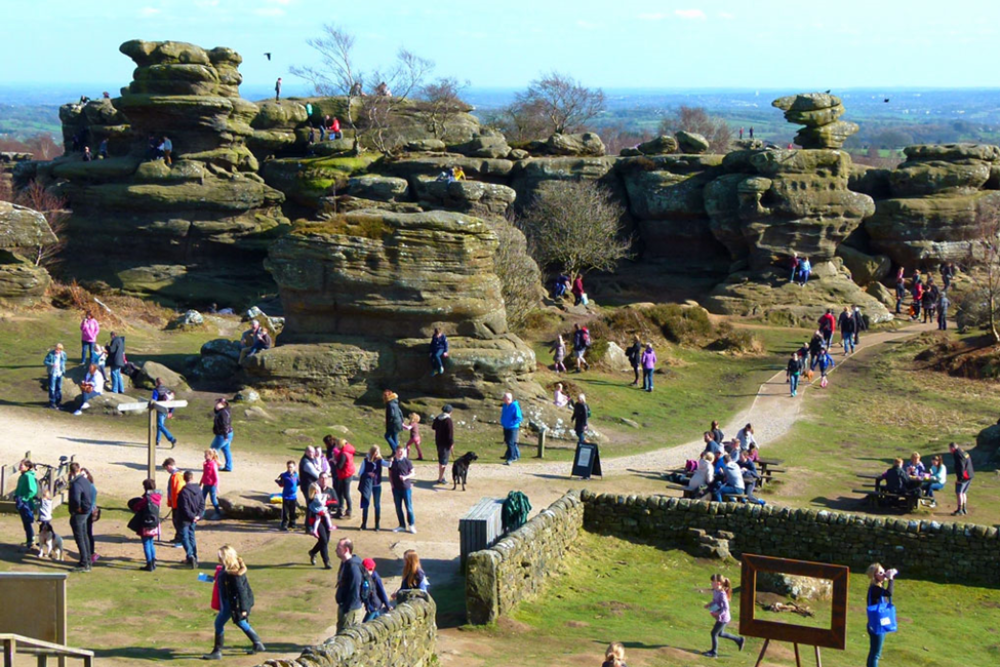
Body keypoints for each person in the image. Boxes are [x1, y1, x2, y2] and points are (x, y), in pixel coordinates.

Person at [202, 545, 266, 659]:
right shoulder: (226, 569)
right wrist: (204, 578)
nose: (218, 559)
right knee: (241, 622)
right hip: (229, 602)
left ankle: (217, 652)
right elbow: (219, 579)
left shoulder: (235, 574)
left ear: (226, 558)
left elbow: (241, 591)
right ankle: (258, 644)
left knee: (219, 624)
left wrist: (244, 609)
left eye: (220, 557)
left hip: (232, 604)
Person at [703, 573, 744, 657]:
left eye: (713, 582)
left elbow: (726, 607)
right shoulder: (716, 591)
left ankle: (714, 652)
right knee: (720, 633)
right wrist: (709, 604)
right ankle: (739, 640)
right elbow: (715, 601)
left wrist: (719, 614)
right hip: (720, 617)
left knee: (714, 633)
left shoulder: (722, 594)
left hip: (723, 618)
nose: (711, 583)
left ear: (718, 583)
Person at [865, 563, 897, 667]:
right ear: (874, 575)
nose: (883, 574)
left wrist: (887, 577)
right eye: (880, 572)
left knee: (874, 652)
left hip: (875, 623)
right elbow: (889, 593)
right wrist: (891, 578)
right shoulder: (875, 589)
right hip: (877, 625)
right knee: (876, 654)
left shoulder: (877, 587)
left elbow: (885, 592)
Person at [127, 478, 161, 571]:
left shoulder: (147, 499)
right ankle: (153, 562)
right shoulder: (157, 496)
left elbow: (137, 507)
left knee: (146, 543)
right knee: (151, 542)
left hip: (146, 522)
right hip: (155, 522)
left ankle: (149, 563)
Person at [67, 462, 93, 572]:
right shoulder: (85, 481)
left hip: (79, 513)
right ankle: (87, 559)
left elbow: (75, 499)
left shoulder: (76, 484)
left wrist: (77, 508)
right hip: (86, 511)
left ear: (71, 472)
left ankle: (84, 563)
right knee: (84, 535)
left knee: (80, 538)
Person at [176, 470, 204, 568]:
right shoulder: (198, 490)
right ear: (192, 478)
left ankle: (190, 555)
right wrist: (198, 516)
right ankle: (194, 556)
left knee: (184, 537)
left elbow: (184, 507)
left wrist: (192, 516)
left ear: (184, 479)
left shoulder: (184, 492)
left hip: (185, 518)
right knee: (191, 536)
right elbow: (202, 504)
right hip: (194, 517)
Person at [389, 445, 416, 533]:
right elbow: (390, 474)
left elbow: (413, 473)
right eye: (399, 451)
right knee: (398, 507)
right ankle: (402, 525)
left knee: (409, 507)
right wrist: (392, 484)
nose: (400, 453)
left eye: (402, 451)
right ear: (396, 452)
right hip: (396, 488)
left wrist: (405, 477)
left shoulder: (407, 461)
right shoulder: (392, 462)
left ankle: (411, 525)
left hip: (406, 488)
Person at [358, 446, 385, 530]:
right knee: (366, 504)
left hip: (377, 485)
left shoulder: (380, 460)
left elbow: (388, 464)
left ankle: (377, 524)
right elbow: (360, 473)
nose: (376, 454)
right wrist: (368, 474)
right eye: (375, 452)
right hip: (367, 485)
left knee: (377, 505)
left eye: (378, 452)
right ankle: (364, 524)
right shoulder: (365, 460)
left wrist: (392, 460)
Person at [14, 459, 37, 550]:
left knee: (28, 522)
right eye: (20, 465)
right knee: (25, 522)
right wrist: (16, 496)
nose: (20, 466)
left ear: (27, 467)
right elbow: (18, 488)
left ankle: (31, 541)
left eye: (22, 465)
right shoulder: (22, 476)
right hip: (20, 501)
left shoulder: (28, 476)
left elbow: (33, 490)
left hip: (26, 503)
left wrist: (24, 498)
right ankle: (29, 539)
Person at [333, 438, 356, 519]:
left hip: (345, 475)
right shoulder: (348, 451)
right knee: (342, 493)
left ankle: (348, 511)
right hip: (347, 474)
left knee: (344, 494)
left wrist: (334, 461)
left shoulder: (343, 453)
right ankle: (341, 510)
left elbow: (340, 466)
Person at [163, 457, 184, 545]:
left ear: (168, 466)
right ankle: (178, 537)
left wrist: (174, 502)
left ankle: (180, 538)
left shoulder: (176, 476)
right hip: (175, 503)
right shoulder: (178, 475)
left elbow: (177, 490)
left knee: (177, 521)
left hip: (177, 503)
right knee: (176, 521)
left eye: (166, 468)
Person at [431, 405, 454, 485]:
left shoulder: (438, 418)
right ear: (450, 412)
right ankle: (441, 478)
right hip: (445, 443)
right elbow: (450, 433)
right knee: (444, 461)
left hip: (438, 441)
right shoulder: (448, 420)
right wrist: (451, 443)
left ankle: (441, 476)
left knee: (441, 460)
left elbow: (433, 427)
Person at [308, 473, 336, 538]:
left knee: (317, 520)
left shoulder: (316, 495)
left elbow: (337, 503)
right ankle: (330, 526)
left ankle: (314, 530)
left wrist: (324, 495)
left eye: (326, 478)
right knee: (327, 516)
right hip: (319, 509)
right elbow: (321, 502)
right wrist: (325, 499)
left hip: (316, 509)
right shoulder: (317, 496)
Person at [299, 446, 320, 530]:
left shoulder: (311, 460)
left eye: (313, 452)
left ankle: (309, 523)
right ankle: (309, 526)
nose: (312, 454)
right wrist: (321, 472)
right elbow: (317, 475)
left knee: (312, 504)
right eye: (310, 452)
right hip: (307, 487)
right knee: (311, 505)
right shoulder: (306, 462)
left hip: (310, 486)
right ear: (306, 452)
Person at [151, 379, 178, 446]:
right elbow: (172, 402)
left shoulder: (156, 390)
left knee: (160, 425)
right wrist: (170, 412)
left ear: (156, 383)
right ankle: (157, 440)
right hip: (166, 410)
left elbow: (154, 400)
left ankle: (172, 439)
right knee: (160, 425)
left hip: (160, 410)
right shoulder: (167, 390)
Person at [950, 442, 973, 515]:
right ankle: (964, 508)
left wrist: (959, 479)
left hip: (964, 476)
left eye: (950, 449)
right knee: (963, 492)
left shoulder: (957, 454)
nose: (950, 451)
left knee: (959, 492)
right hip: (970, 474)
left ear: (952, 448)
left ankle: (959, 510)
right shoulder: (964, 452)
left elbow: (961, 466)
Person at [211, 398, 234, 472]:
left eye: (218, 403)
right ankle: (228, 467)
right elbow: (216, 411)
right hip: (228, 433)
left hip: (222, 435)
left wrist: (225, 435)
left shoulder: (223, 413)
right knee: (226, 449)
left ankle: (217, 466)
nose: (216, 405)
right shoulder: (224, 411)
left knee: (213, 449)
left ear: (222, 405)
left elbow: (225, 424)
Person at [275, 460, 298, 531]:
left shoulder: (296, 475)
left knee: (292, 511)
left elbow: (298, 482)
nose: (290, 468)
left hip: (293, 497)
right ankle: (284, 524)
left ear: (294, 467)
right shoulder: (284, 475)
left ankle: (292, 523)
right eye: (288, 467)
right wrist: (278, 481)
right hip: (286, 496)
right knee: (285, 512)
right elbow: (281, 484)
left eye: (291, 467)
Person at [500, 392, 522, 464]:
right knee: (507, 441)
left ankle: (511, 458)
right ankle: (512, 456)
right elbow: (503, 415)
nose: (503, 399)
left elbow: (519, 418)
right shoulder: (504, 406)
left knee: (511, 442)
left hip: (513, 427)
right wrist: (503, 421)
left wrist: (511, 423)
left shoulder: (515, 406)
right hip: (506, 426)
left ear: (508, 399)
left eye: (504, 398)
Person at [44, 342, 67, 409]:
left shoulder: (63, 354)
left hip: (59, 373)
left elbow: (64, 360)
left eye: (59, 349)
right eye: (56, 349)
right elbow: (45, 362)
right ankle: (52, 402)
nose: (57, 351)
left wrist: (63, 369)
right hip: (52, 373)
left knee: (59, 388)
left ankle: (58, 402)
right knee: (52, 388)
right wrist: (51, 364)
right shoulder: (51, 354)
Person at [201, 449, 222, 518]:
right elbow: (204, 474)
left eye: (206, 455)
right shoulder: (205, 464)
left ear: (211, 456)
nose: (205, 456)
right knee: (202, 499)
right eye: (204, 455)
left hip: (212, 485)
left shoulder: (213, 465)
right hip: (205, 484)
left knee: (213, 500)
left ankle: (218, 512)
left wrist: (217, 487)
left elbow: (216, 477)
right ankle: (201, 513)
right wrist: (201, 483)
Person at [384, 390, 404, 454]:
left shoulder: (390, 404)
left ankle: (396, 450)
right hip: (398, 423)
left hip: (393, 424)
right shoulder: (395, 402)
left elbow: (392, 415)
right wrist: (402, 421)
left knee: (387, 436)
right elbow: (400, 412)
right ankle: (395, 453)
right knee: (394, 437)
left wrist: (388, 423)